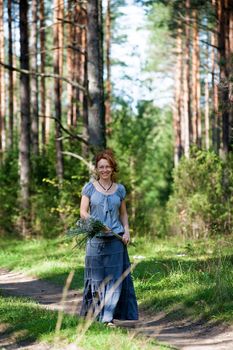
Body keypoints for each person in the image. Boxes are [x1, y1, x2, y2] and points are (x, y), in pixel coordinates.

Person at [79, 149, 138, 326]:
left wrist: (126, 231)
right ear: (97, 169)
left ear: (113, 169)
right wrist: (96, 223)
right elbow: (83, 212)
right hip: (95, 240)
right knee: (96, 279)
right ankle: (96, 315)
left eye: (108, 166)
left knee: (115, 279)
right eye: (101, 167)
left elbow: (124, 214)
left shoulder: (119, 190)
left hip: (116, 240)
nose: (104, 170)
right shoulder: (89, 187)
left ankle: (108, 317)